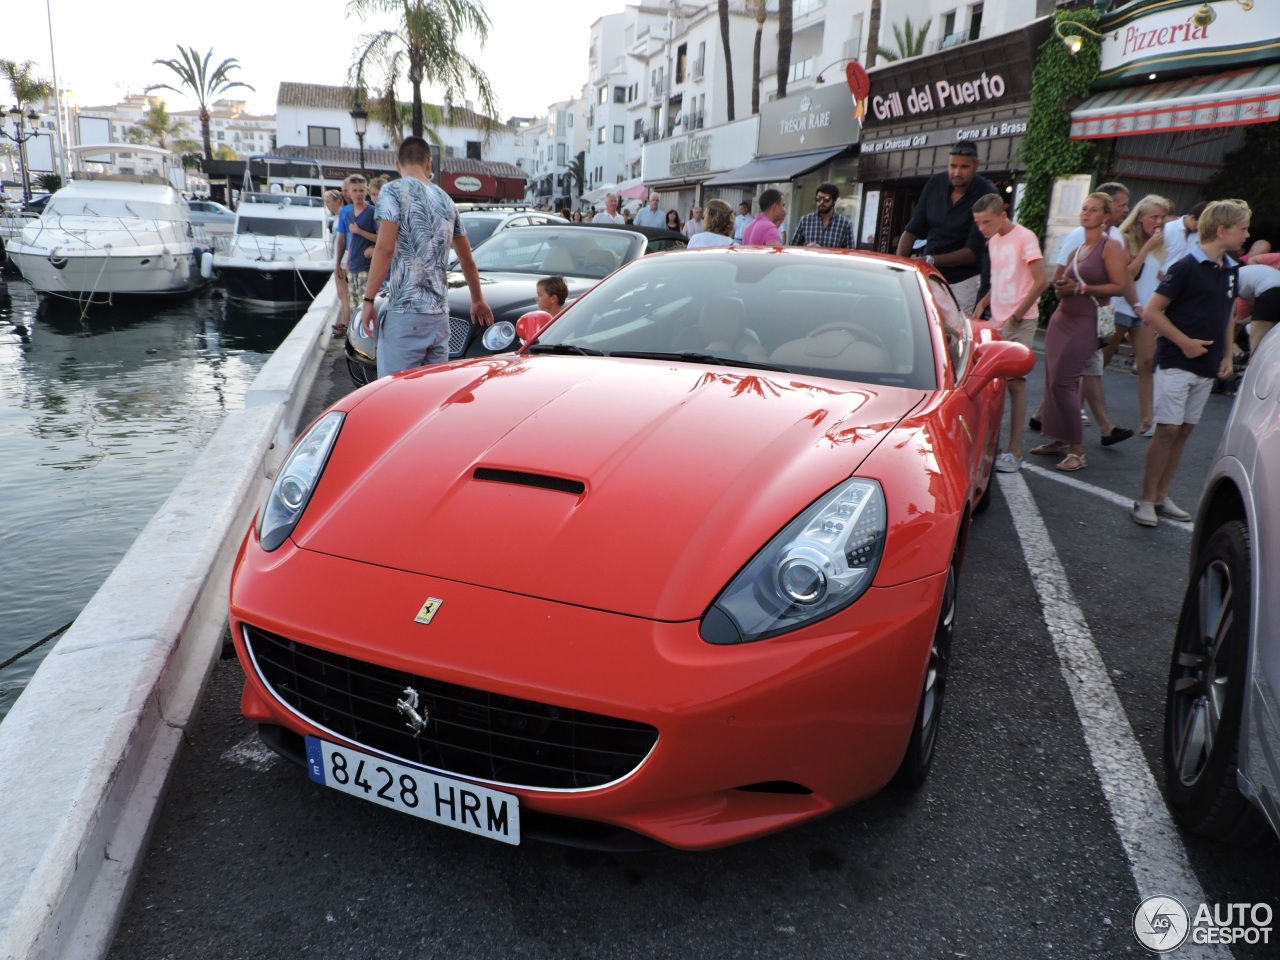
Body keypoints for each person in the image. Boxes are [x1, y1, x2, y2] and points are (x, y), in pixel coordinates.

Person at [1132, 200, 1249, 527]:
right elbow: (1152, 312)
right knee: (1167, 429)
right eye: (1243, 228)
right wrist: (1184, 342)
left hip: (1207, 363)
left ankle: (1161, 495)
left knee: (1183, 431)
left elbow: (1227, 315)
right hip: (1175, 360)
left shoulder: (1231, 268)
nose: (1247, 234)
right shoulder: (1185, 266)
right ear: (1222, 230)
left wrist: (1227, 355)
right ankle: (1145, 498)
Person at [360, 136, 494, 378]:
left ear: (397, 165)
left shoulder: (392, 191)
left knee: (396, 398)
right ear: (429, 164)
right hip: (439, 318)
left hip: (406, 313)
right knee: (430, 401)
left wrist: (369, 300)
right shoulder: (446, 200)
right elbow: (467, 259)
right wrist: (477, 299)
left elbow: (384, 249)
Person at [1030, 191, 1129, 472]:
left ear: (1106, 216)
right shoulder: (1077, 250)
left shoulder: (1110, 247)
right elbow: (1058, 282)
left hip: (1087, 320)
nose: (1086, 213)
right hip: (1063, 318)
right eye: (1084, 209)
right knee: (1052, 381)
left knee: (1064, 383)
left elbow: (1119, 286)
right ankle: (1059, 441)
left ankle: (1077, 449)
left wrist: (1081, 288)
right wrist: (1063, 285)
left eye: (1094, 210)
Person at [971, 194, 1049, 473]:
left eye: (986, 222)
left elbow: (1041, 281)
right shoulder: (993, 241)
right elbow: (1003, 278)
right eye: (978, 223)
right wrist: (983, 302)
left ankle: (1015, 451)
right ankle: (992, 445)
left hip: (1021, 319)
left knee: (1016, 383)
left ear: (1003, 215)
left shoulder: (1025, 237)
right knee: (991, 385)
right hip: (998, 320)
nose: (982, 228)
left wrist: (1017, 314)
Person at [895, 140, 996, 314]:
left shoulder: (986, 193)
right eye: (952, 166)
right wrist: (899, 267)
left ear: (976, 165)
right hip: (929, 275)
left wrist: (929, 259)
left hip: (963, 280)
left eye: (964, 167)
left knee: (955, 333)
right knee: (921, 323)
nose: (957, 172)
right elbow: (913, 229)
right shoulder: (936, 183)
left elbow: (972, 252)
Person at [1110, 194, 1172, 436]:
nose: (1158, 222)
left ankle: (1147, 419)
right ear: (1140, 218)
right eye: (1153, 216)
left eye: (1162, 217)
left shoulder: (1164, 245)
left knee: (1147, 363)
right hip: (1120, 308)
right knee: (1098, 362)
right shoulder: (1125, 240)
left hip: (1145, 311)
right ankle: (1073, 410)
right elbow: (1127, 274)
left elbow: (1162, 276)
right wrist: (1146, 249)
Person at [342, 177, 377, 335]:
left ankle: (369, 338)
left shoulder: (372, 212)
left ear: (366, 192)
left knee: (366, 307)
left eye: (361, 190)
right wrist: (347, 262)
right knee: (354, 307)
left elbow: (381, 239)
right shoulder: (348, 214)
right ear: (348, 192)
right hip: (353, 268)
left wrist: (360, 231)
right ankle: (356, 338)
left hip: (366, 267)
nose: (358, 194)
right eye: (355, 190)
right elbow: (351, 240)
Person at [1235, 258, 1280, 354]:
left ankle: (1252, 364)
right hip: (1272, 290)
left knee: (1256, 343)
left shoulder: (1228, 279)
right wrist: (1242, 322)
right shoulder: (1248, 274)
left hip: (1271, 291)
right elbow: (1262, 315)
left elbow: (1230, 315)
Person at [790, 182, 853, 249]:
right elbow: (792, 246)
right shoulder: (805, 220)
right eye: (818, 198)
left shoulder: (845, 224)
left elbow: (850, 252)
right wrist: (806, 248)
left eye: (826, 199)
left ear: (834, 201)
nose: (821, 202)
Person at [1162, 200, 1208, 267]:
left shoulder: (1201, 236)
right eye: (1201, 225)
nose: (1201, 229)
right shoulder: (1168, 228)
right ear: (1192, 218)